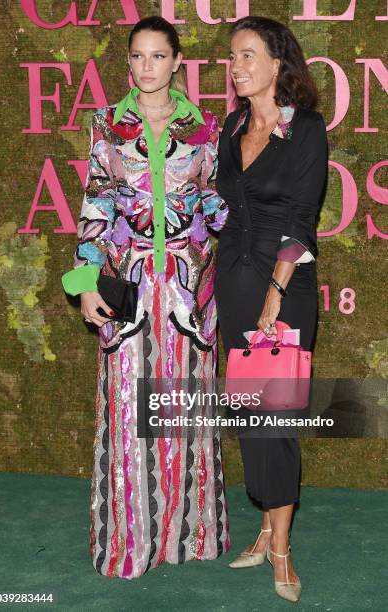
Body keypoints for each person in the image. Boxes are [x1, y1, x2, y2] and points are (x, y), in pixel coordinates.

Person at [61, 16, 230, 579]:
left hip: (187, 286)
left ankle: (191, 533)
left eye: (158, 56)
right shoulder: (106, 125)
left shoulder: (208, 127)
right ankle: (132, 540)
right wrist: (86, 286)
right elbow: (95, 206)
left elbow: (215, 204)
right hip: (126, 283)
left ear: (178, 61)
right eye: (137, 56)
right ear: (128, 61)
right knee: (130, 407)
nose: (147, 67)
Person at [214, 16, 328, 603]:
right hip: (233, 282)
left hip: (282, 288)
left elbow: (301, 217)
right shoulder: (231, 126)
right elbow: (221, 208)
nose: (236, 66)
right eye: (233, 56)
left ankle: (281, 551)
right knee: (250, 421)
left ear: (279, 63)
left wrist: (275, 293)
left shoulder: (305, 128)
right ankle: (263, 529)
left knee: (276, 420)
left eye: (248, 55)